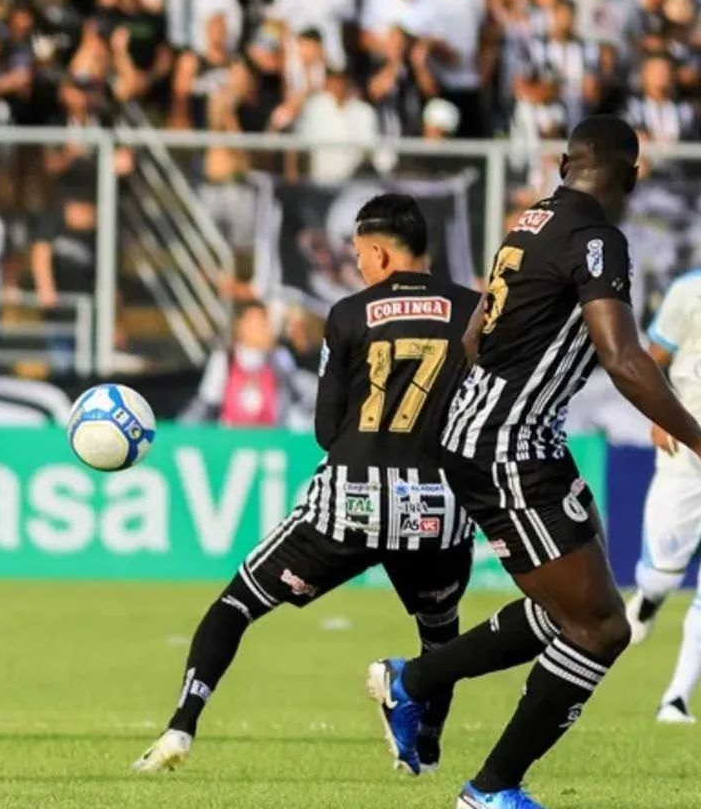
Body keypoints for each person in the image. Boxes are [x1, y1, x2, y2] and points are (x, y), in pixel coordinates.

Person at [368, 115, 701, 809]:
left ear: (563, 164)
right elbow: (624, 360)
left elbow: (475, 333)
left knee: (567, 611)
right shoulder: (597, 238)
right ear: (632, 175)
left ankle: (412, 682)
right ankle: (490, 789)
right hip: (509, 446)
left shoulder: (530, 221)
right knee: (600, 628)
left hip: (504, 435)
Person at [134, 194, 479, 773]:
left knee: (236, 603)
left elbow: (325, 430)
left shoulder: (349, 314)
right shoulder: (472, 311)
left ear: (379, 254)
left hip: (353, 499)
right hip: (436, 506)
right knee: (440, 636)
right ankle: (426, 744)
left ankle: (180, 729)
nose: (357, 264)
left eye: (359, 254)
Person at [624, 268, 701, 724]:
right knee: (661, 575)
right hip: (686, 455)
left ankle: (676, 698)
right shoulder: (688, 292)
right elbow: (653, 359)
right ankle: (649, 600)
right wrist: (658, 416)